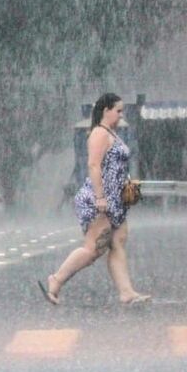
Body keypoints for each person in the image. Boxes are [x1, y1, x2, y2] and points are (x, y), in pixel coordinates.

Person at [39, 93, 150, 306]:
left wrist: (127, 190)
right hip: (102, 198)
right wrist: (100, 198)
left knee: (117, 242)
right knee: (92, 250)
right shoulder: (99, 133)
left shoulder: (112, 133)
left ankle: (126, 292)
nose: (120, 115)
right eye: (118, 110)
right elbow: (93, 165)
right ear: (106, 110)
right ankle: (56, 279)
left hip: (116, 199)